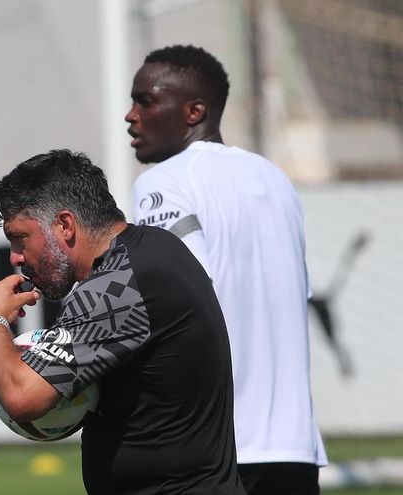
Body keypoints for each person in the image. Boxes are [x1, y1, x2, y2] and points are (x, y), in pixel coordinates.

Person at [0, 149, 244, 494]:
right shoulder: (152, 251)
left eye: (20, 238)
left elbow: (22, 398)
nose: (15, 257)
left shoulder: (120, 284)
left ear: (65, 225)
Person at [126, 44, 326, 494]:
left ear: (195, 110)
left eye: (146, 100)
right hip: (295, 451)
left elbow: (176, 303)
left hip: (216, 450)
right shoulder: (274, 179)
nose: (130, 115)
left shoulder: (163, 182)